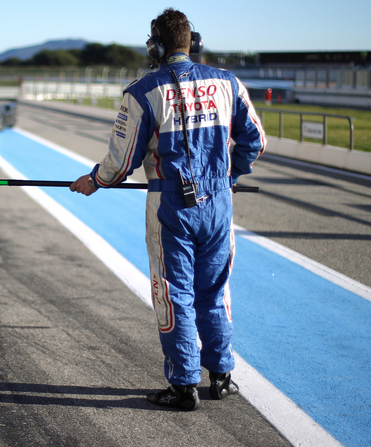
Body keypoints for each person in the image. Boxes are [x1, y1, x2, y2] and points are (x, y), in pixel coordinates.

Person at [70, 8, 265, 411]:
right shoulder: (228, 82)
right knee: (213, 292)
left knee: (173, 293)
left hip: (171, 205)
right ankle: (222, 376)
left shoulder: (143, 91)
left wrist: (94, 180)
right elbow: (255, 141)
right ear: (193, 42)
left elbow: (121, 163)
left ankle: (183, 385)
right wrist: (231, 174)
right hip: (219, 204)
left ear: (156, 45)